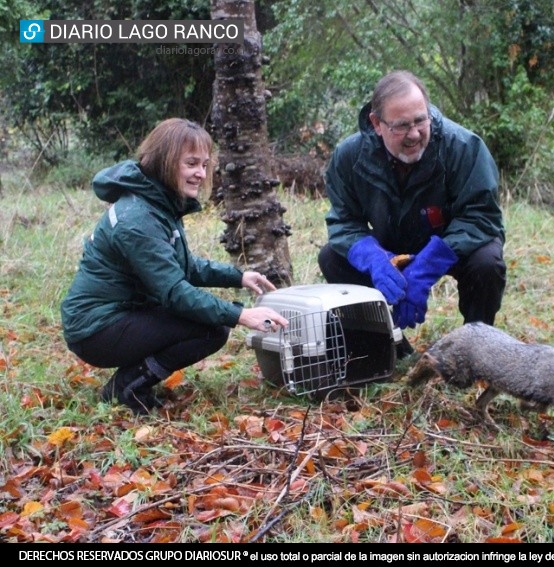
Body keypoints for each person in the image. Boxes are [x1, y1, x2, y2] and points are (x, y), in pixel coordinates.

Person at [60, 118, 288, 415]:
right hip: (95, 328)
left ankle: (134, 377)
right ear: (164, 161)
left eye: (205, 164)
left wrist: (239, 276)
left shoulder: (158, 201)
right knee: (212, 328)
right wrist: (242, 315)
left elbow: (183, 266)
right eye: (191, 163)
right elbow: (174, 292)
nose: (200, 174)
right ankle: (128, 385)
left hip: (120, 313)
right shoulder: (138, 218)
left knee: (211, 322)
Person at [318, 70, 506, 351]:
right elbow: (344, 222)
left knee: (487, 262)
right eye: (401, 126)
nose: (415, 134)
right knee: (332, 257)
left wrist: (429, 263)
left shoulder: (464, 147)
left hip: (450, 243)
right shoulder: (349, 157)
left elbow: (482, 218)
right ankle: (388, 344)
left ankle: (476, 350)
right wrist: (374, 258)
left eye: (421, 120)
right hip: (390, 244)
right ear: (376, 123)